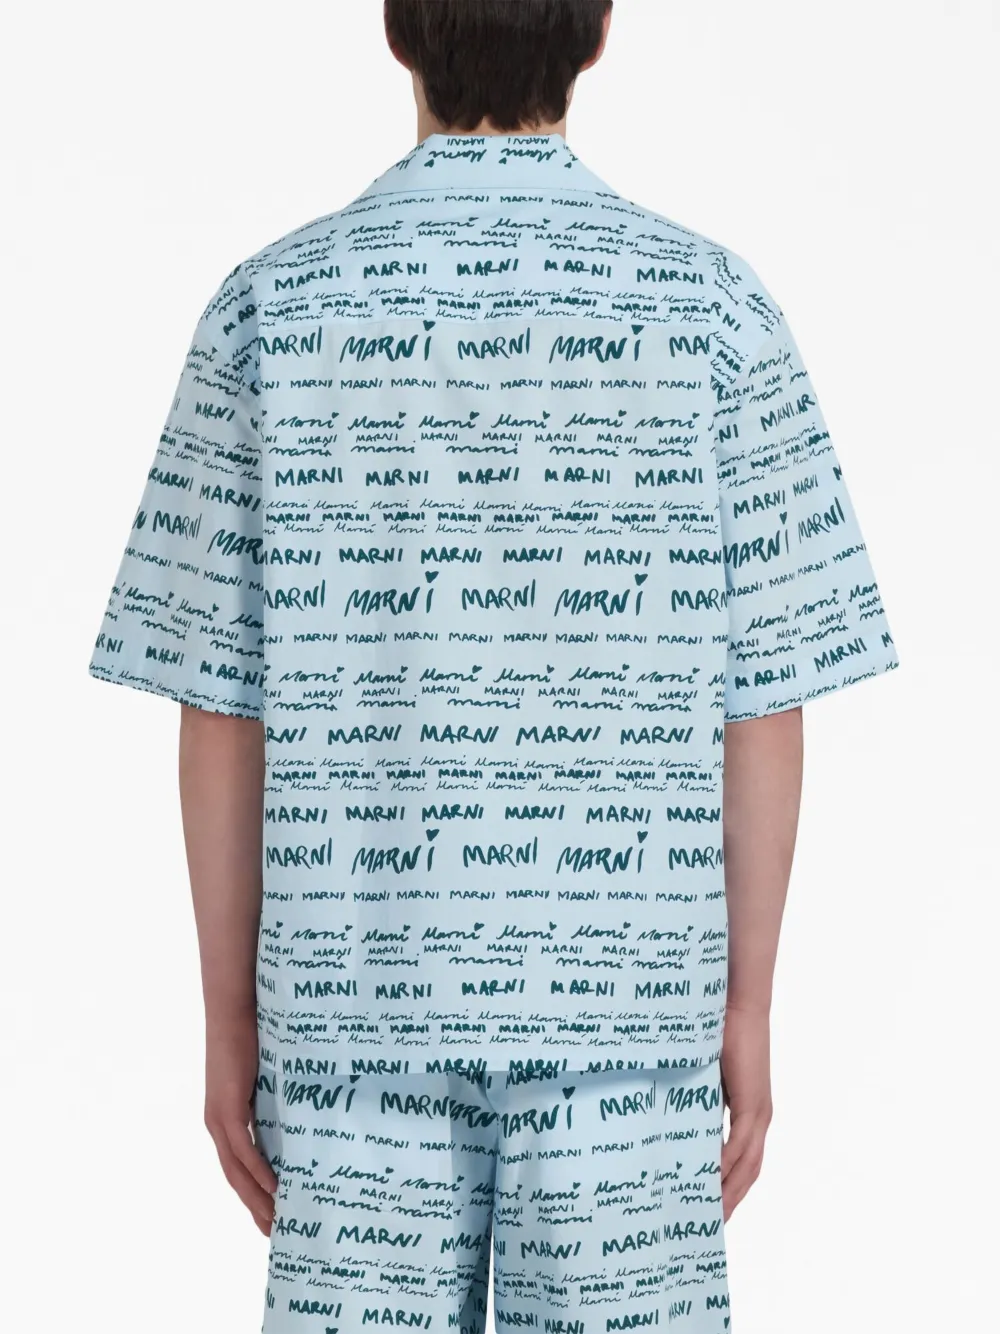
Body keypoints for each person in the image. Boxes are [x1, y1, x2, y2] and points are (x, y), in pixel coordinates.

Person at [87, 2, 900, 1329]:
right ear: (597, 33)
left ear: (396, 30)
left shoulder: (270, 312)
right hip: (629, 1024)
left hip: (354, 1018)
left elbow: (224, 708)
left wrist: (230, 1020)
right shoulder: (714, 313)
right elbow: (761, 701)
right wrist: (746, 1007)